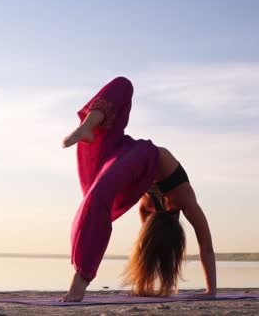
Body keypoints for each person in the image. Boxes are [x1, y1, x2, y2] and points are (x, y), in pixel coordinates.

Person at [59, 77, 216, 302]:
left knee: (93, 203)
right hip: (138, 154)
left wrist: (144, 286)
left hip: (116, 166)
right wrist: (212, 292)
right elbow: (206, 246)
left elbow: (145, 251)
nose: (144, 233)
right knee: (124, 85)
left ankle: (80, 279)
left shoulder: (147, 209)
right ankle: (87, 127)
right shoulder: (184, 198)